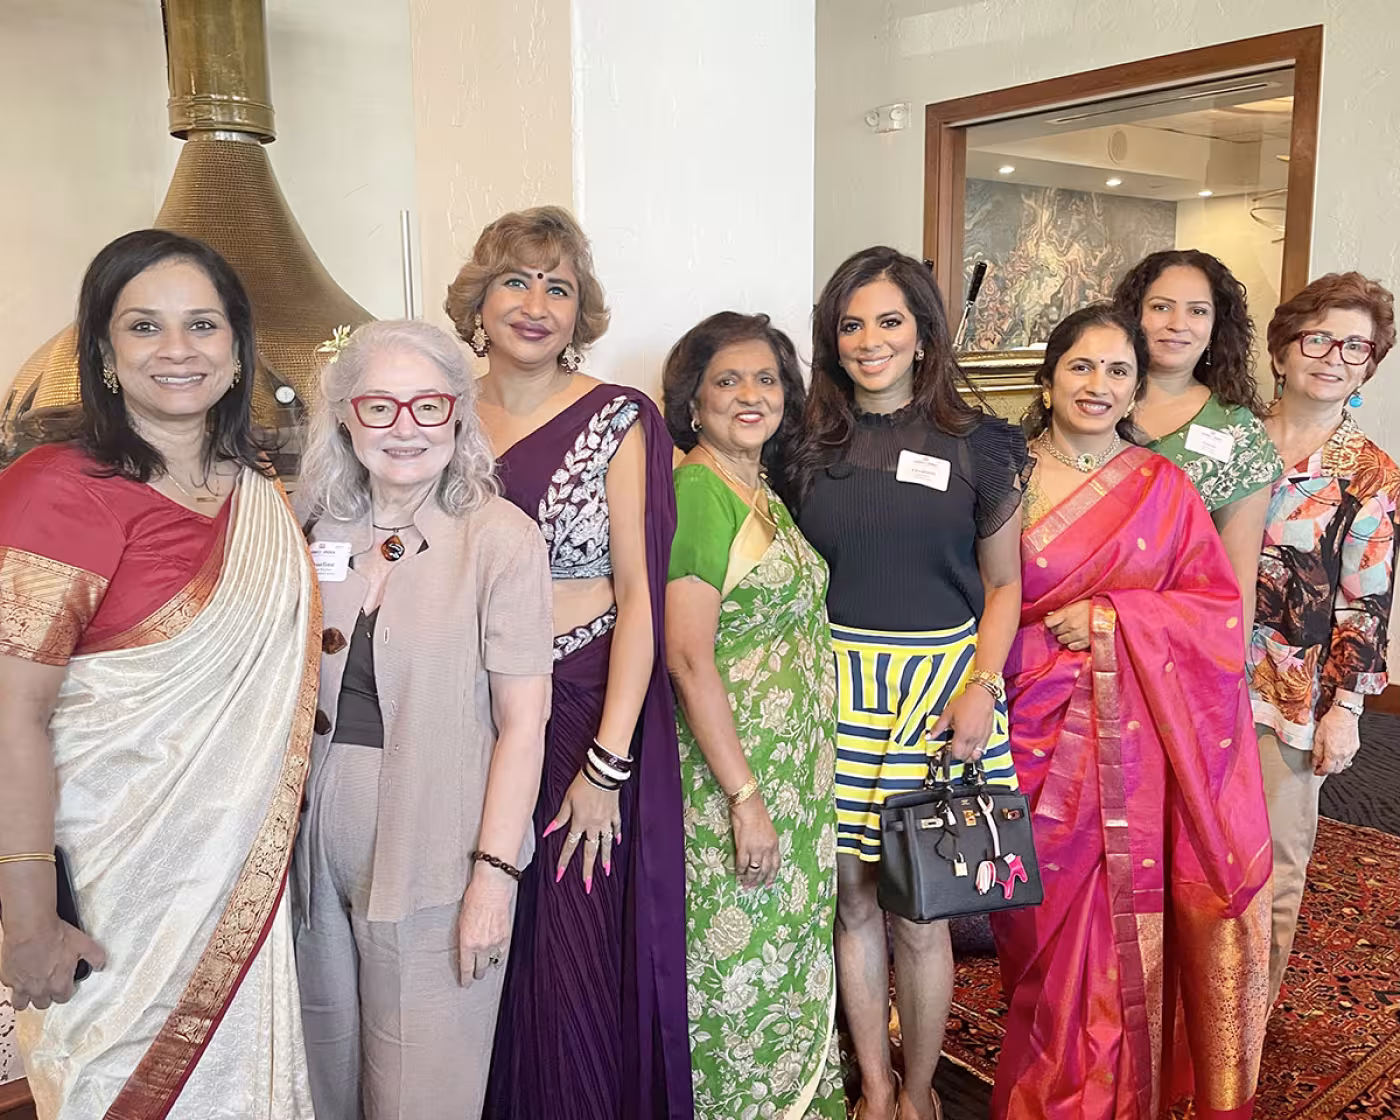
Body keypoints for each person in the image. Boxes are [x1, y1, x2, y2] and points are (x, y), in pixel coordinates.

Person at [0, 230, 316, 1118]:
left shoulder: (256, 491)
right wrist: (25, 919)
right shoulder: (55, 489)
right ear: (103, 352)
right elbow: (8, 720)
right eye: (145, 326)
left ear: (238, 347)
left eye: (203, 325)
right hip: (110, 900)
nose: (178, 350)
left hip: (239, 891)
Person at [991, 304, 1272, 1120]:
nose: (1099, 385)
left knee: (1111, 952)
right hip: (1024, 727)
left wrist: (1116, 619)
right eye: (1081, 366)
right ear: (1048, 379)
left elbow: (1216, 613)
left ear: (1135, 389)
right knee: (1034, 934)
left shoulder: (1164, 486)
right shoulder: (1000, 475)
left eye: (1118, 372)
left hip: (1130, 746)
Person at [445, 206, 692, 1120]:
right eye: (517, 280)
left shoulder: (621, 418)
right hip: (465, 711)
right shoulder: (440, 411)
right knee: (474, 947)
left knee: (571, 961)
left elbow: (641, 594)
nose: (536, 303)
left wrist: (607, 767)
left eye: (559, 286)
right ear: (481, 297)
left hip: (583, 712)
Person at [292, 320, 553, 1119]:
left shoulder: (500, 539)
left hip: (439, 849)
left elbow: (523, 723)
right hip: (306, 860)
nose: (405, 428)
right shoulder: (313, 529)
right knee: (322, 1074)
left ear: (457, 416)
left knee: (422, 1094)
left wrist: (493, 878)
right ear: (345, 417)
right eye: (380, 407)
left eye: (428, 405)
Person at [794, 246, 1026, 1120]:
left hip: (943, 691)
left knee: (922, 913)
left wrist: (982, 687)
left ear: (925, 334)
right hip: (838, 688)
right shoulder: (803, 444)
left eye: (889, 321)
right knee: (852, 901)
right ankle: (876, 1085)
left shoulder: (980, 445)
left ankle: (921, 1095)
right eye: (850, 324)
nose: (869, 340)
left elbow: (1004, 584)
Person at [661, 312, 843, 1120]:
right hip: (732, 787)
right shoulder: (698, 491)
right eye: (727, 380)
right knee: (740, 974)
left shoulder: (756, 484)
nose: (750, 395)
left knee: (790, 960)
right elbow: (689, 658)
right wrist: (745, 798)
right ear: (693, 400)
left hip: (794, 783)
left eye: (766, 379)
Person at [1247, 273, 1400, 1005]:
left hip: (1290, 700)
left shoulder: (1370, 475)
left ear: (1369, 367)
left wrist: (1346, 711)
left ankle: (1244, 1030)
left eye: (1355, 347)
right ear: (1282, 351)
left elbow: (1365, 604)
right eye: (1318, 339)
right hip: (1191, 679)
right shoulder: (1230, 442)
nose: (1333, 357)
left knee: (1276, 865)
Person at [1113, 249, 1283, 632]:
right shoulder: (1093, 402)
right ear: (1132, 315)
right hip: (1063, 627)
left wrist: (1229, 675)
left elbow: (1237, 581)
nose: (1178, 324)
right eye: (1160, 307)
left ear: (1216, 326)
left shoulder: (1237, 432)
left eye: (1198, 311)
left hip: (1172, 637)